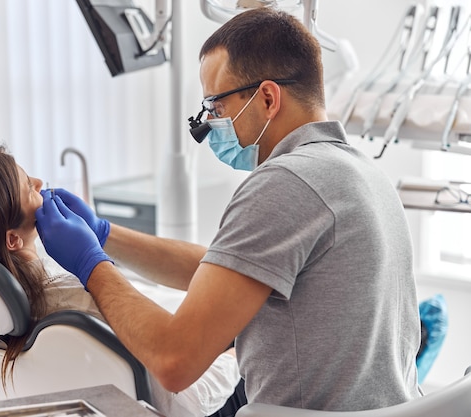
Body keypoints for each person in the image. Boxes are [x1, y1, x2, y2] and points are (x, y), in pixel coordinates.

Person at [35, 7, 423, 413]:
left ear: (268, 98)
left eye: (215, 107)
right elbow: (227, 269)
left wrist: (91, 265)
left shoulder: (285, 182)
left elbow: (174, 361)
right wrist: (103, 234)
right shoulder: (358, 171)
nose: (209, 124)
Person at [0, 146, 241, 417]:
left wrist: (102, 233)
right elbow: (190, 401)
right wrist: (238, 355)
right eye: (30, 186)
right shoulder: (76, 302)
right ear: (12, 239)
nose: (41, 182)